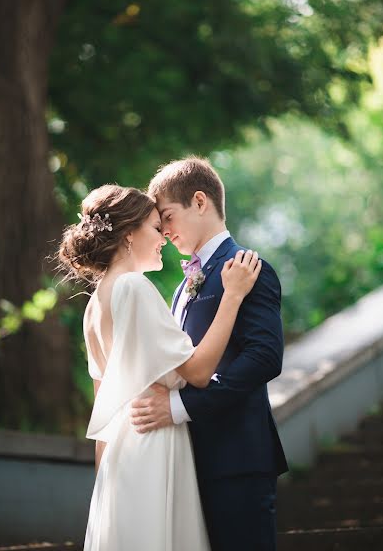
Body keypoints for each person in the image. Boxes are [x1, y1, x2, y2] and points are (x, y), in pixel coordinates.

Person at [58, 183, 261, 551]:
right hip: (153, 444)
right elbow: (198, 372)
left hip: (120, 455)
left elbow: (102, 409)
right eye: (155, 227)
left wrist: (106, 488)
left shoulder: (93, 306)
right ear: (128, 235)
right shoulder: (134, 288)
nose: (164, 238)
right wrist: (231, 297)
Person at [130, 157, 289, 551]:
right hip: (185, 460)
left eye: (167, 216)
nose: (163, 232)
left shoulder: (249, 268)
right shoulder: (181, 287)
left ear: (200, 201)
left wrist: (180, 406)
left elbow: (265, 357)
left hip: (237, 459)